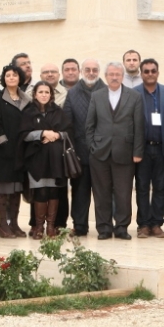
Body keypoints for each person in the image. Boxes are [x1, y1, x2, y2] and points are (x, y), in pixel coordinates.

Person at [85, 62, 144, 240]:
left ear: (122, 76)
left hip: (125, 152)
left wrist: (138, 152)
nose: (114, 77)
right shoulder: (97, 96)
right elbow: (89, 125)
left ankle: (121, 228)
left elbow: (139, 126)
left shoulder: (134, 96)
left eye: (118, 74)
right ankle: (103, 228)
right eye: (111, 74)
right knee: (101, 192)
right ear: (106, 76)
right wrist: (92, 147)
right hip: (99, 153)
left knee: (123, 193)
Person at [20, 81, 73, 239]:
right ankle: (38, 227)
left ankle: (51, 227)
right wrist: (42, 133)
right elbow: (23, 134)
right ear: (35, 94)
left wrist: (57, 135)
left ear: (51, 94)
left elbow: (68, 132)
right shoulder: (28, 112)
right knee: (40, 191)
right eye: (40, 92)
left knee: (53, 191)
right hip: (36, 159)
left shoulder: (58, 112)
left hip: (56, 160)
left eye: (47, 92)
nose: (44, 95)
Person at [0, 65, 30, 238]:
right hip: (1, 153)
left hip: (20, 153)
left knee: (16, 190)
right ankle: (3, 224)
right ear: (4, 79)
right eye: (8, 75)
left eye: (15, 75)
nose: (11, 78)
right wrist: (5, 145)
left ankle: (15, 224)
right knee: (3, 190)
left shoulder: (26, 100)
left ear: (20, 78)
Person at [62, 58, 105, 236]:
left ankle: (104, 226)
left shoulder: (107, 90)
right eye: (87, 69)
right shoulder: (73, 93)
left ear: (99, 71)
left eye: (95, 70)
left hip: (103, 152)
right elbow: (67, 124)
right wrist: (74, 151)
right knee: (80, 192)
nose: (91, 73)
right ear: (82, 71)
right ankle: (79, 226)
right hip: (80, 152)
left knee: (103, 193)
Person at [133, 58, 164, 238]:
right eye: (146, 71)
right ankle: (143, 224)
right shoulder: (133, 93)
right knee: (142, 187)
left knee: (160, 187)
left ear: (157, 72)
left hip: (161, 148)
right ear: (141, 74)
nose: (150, 74)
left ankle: (157, 223)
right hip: (142, 149)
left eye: (153, 71)